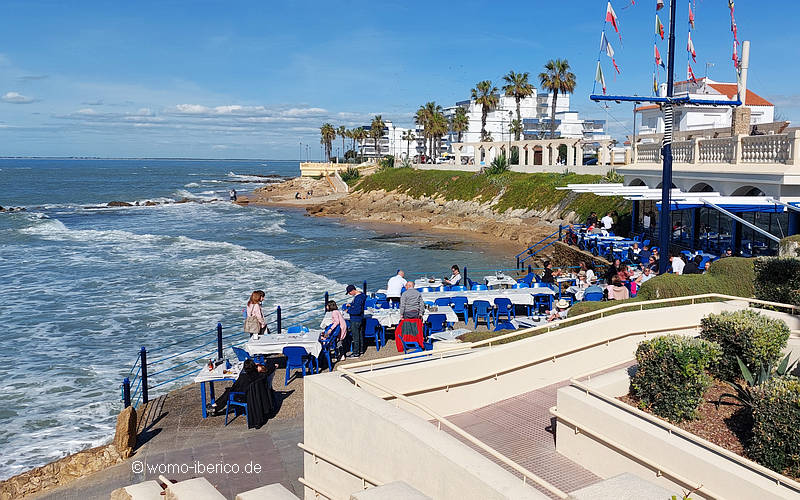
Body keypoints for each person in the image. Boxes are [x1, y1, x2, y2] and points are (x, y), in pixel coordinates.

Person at [207, 359, 276, 415]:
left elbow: (235, 387)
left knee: (228, 392)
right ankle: (215, 406)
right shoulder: (259, 375)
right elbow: (269, 370)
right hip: (253, 395)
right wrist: (273, 366)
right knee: (228, 391)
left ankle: (215, 407)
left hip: (243, 397)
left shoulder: (243, 377)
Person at [345, 284, 366, 358]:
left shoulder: (358, 298)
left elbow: (357, 310)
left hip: (355, 319)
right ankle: (361, 350)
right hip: (360, 318)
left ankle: (356, 353)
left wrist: (348, 310)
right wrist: (352, 305)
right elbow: (358, 306)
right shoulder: (362, 296)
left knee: (355, 336)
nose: (350, 294)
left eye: (349, 293)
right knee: (360, 335)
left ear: (352, 291)